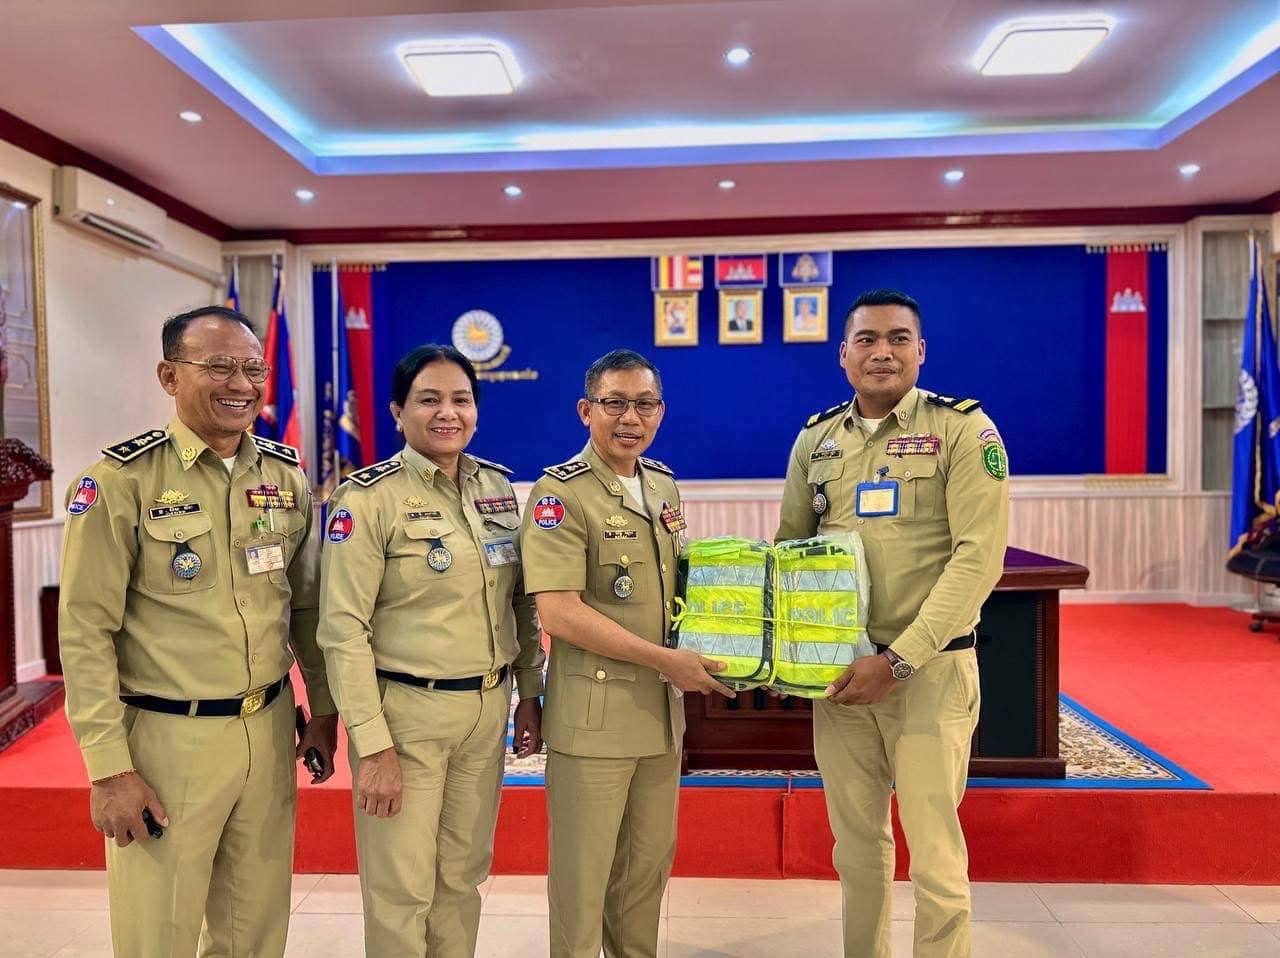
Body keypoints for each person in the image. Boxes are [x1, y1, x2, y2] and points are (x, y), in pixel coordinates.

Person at [58, 304, 338, 957]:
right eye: (218, 366)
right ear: (169, 375)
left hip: (269, 732)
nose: (240, 384)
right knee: (158, 934)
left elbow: (305, 609)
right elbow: (84, 631)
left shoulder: (284, 476)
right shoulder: (119, 483)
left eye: (253, 369)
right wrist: (109, 770)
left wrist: (324, 710)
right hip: (167, 742)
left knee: (255, 932)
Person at [775, 289, 1009, 958]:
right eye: (868, 340)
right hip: (842, 678)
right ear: (843, 354)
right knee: (856, 848)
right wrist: (786, 653)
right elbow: (791, 551)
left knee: (934, 854)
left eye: (899, 339)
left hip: (928, 671)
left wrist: (898, 659)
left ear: (921, 350)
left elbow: (978, 560)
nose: (883, 352)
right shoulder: (816, 439)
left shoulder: (964, 430)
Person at [317, 344, 546, 957]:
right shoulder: (367, 499)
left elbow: (520, 602)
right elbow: (342, 630)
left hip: (486, 711)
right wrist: (373, 746)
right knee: (402, 889)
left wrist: (530, 692)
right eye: (429, 400)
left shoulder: (496, 488)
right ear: (397, 413)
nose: (448, 413)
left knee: (462, 879)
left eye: (461, 399)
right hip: (406, 717)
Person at [518, 349, 733, 958]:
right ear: (586, 410)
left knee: (645, 874)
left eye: (644, 404)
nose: (630, 417)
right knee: (584, 880)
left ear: (661, 412)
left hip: (660, 718)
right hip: (594, 720)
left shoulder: (662, 484)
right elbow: (558, 613)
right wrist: (667, 661)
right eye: (614, 403)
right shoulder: (560, 495)